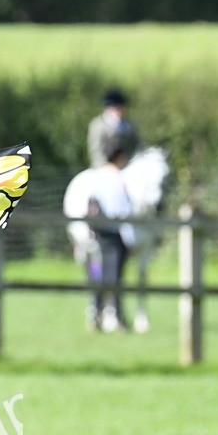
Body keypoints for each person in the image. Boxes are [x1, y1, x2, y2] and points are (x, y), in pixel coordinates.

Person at [85, 137, 135, 332]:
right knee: (115, 277)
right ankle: (118, 318)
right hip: (114, 235)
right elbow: (124, 212)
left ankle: (95, 313)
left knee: (98, 272)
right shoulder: (119, 179)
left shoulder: (96, 177)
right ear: (120, 157)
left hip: (98, 233)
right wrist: (130, 240)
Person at [87, 88, 140, 168]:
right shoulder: (98, 125)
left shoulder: (129, 125)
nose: (120, 110)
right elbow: (96, 150)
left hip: (127, 164)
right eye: (116, 107)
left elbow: (138, 144)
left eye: (121, 107)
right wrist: (105, 166)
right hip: (104, 166)